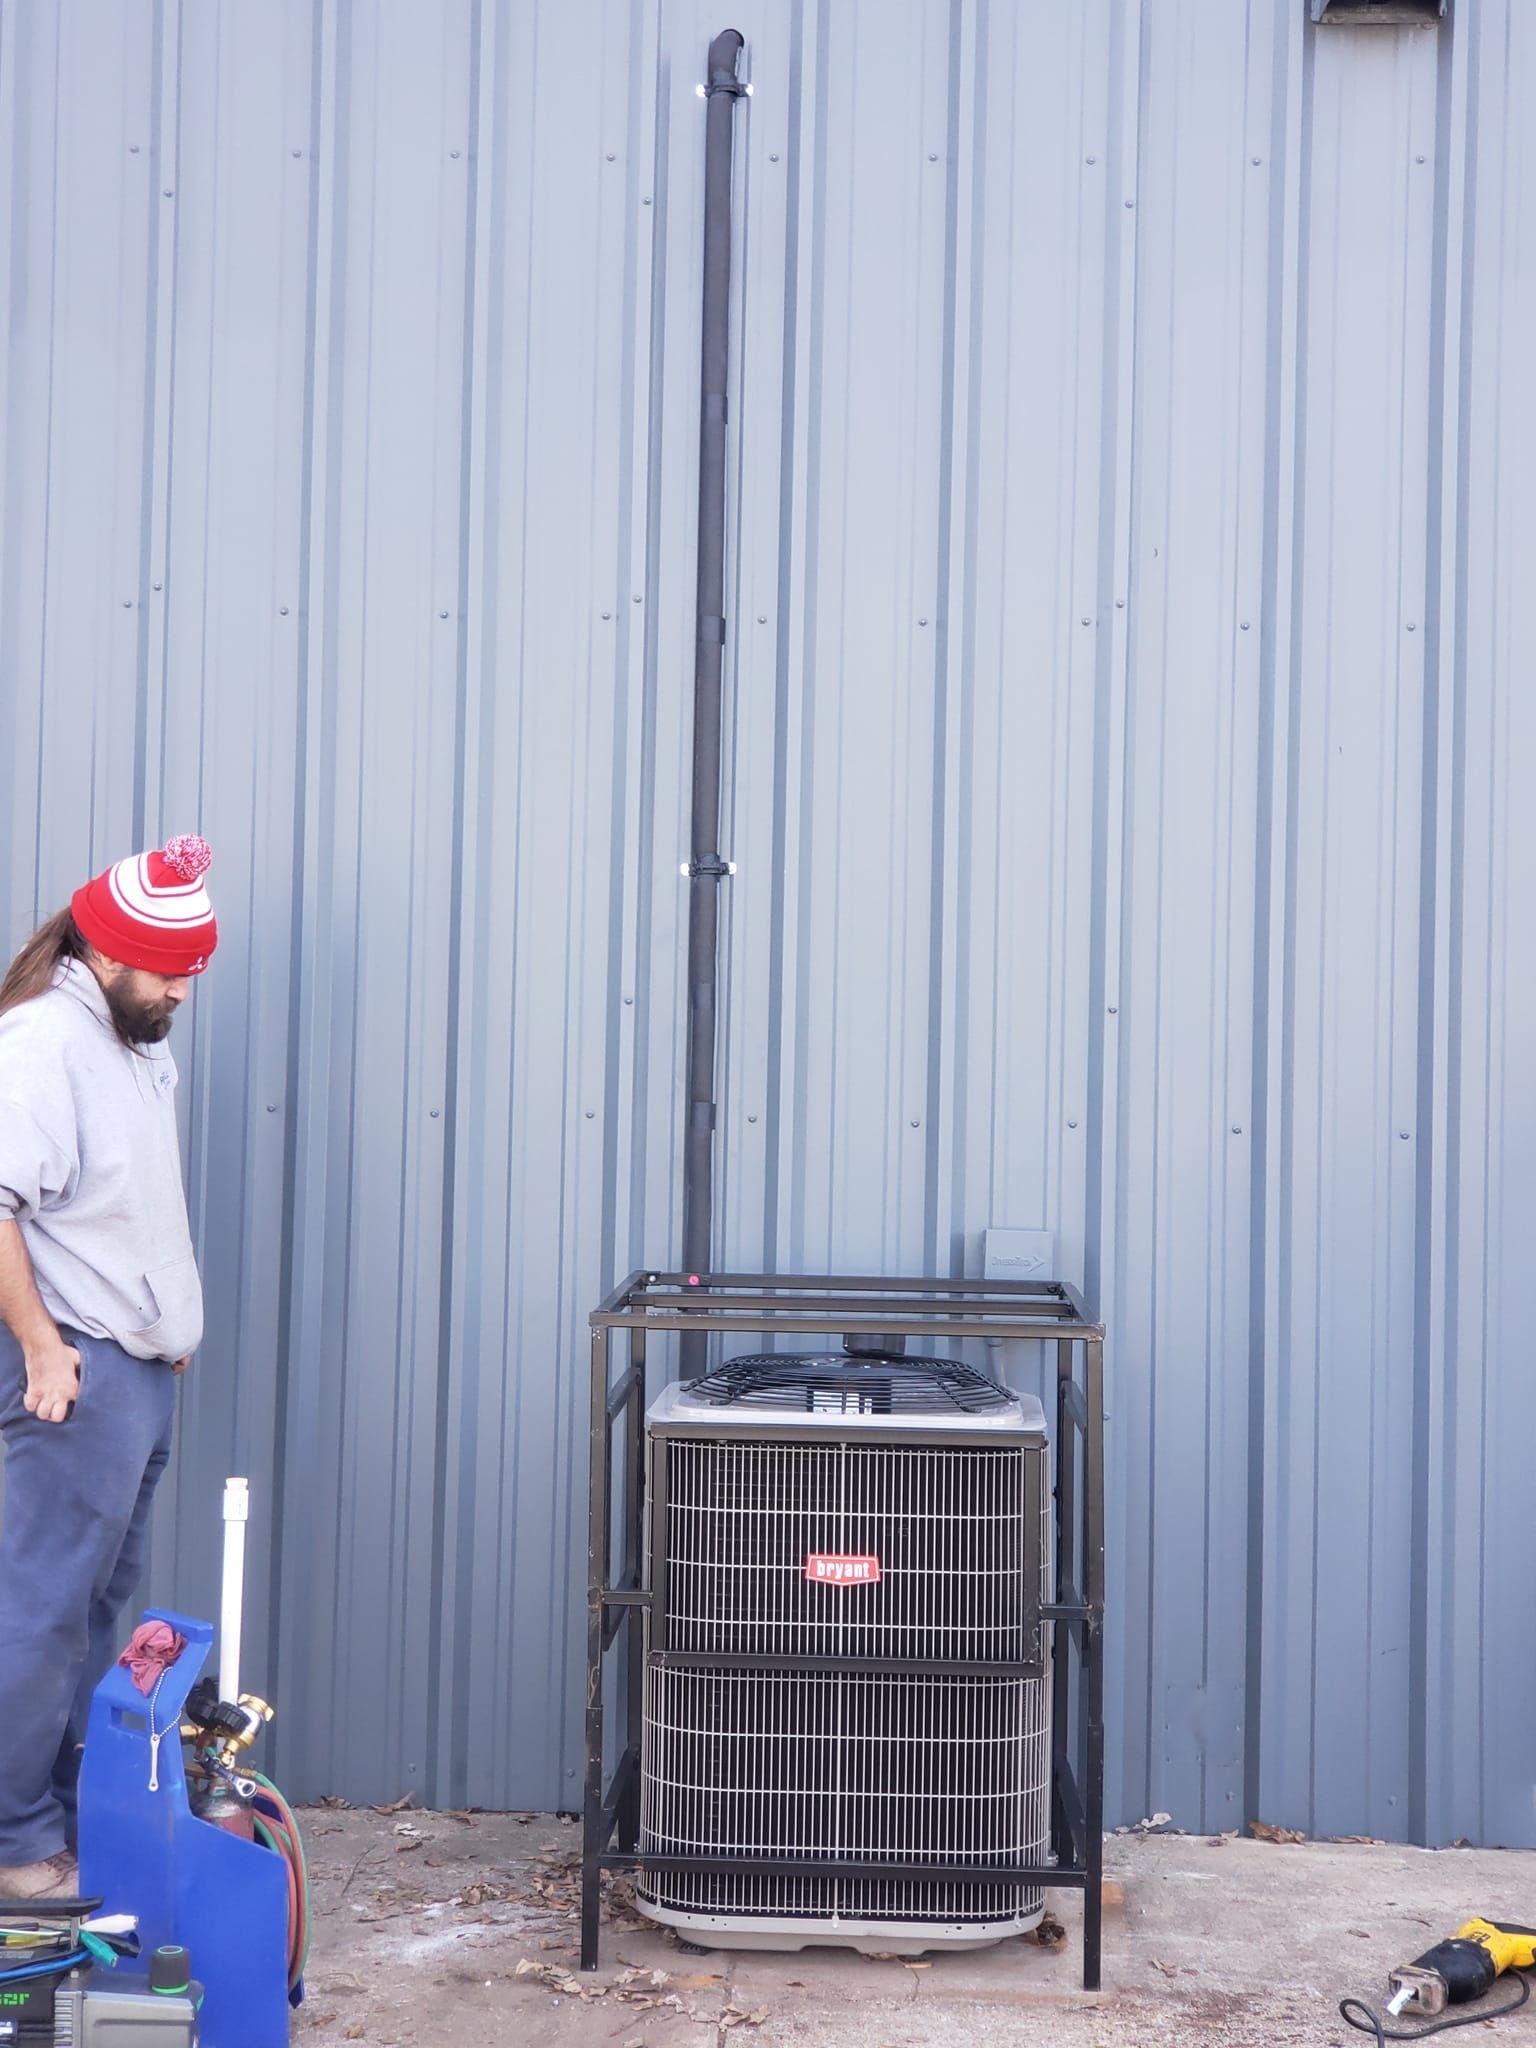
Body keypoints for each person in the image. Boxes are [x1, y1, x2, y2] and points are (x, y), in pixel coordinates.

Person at [0, 836, 217, 1899]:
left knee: (95, 1608)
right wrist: (43, 1347)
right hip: (72, 1369)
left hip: (137, 1367)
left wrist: (166, 1323)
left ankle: (56, 1811)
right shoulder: (43, 1042)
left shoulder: (135, 1038)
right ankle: (10, 1840)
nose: (182, 989)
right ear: (108, 951)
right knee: (39, 1606)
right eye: (169, 971)